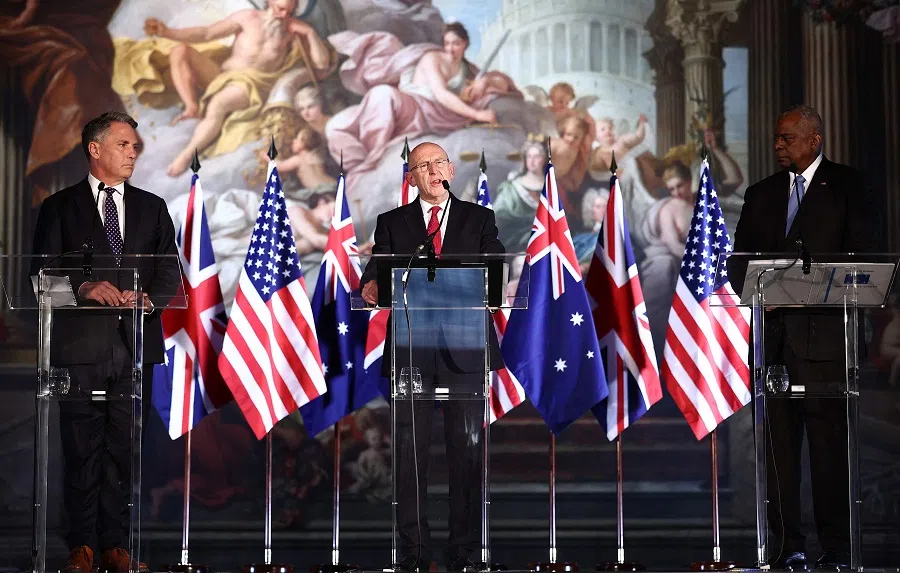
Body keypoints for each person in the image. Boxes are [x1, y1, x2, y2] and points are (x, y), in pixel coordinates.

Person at [30, 111, 180, 573]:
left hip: (134, 347)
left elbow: (169, 272)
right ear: (95, 150)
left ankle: (116, 546)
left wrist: (147, 300)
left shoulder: (153, 207)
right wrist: (82, 288)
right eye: (123, 144)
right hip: (79, 349)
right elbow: (38, 278)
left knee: (124, 450)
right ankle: (81, 547)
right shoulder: (58, 207)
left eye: (135, 146)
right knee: (81, 450)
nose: (133, 152)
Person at [728, 105, 874, 571]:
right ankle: (785, 546)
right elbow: (738, 265)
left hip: (829, 342)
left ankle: (836, 547)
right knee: (778, 454)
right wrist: (758, 290)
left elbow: (863, 259)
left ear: (814, 139)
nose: (778, 146)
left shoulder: (849, 186)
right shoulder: (761, 194)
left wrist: (812, 287)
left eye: (787, 138)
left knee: (830, 451)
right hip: (773, 344)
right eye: (776, 138)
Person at [359, 142, 505, 572]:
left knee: (467, 453)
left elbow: (494, 261)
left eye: (438, 163)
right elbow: (375, 275)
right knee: (409, 453)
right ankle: (413, 556)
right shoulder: (393, 223)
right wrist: (370, 287)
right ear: (411, 178)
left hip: (465, 350)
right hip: (411, 351)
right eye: (422, 166)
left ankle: (464, 554)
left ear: (451, 169)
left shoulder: (480, 218)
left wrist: (494, 290)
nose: (432, 171)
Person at [142, 0, 335, 176]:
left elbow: (322, 65)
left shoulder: (293, 32)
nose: (284, 15)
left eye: (289, 11)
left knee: (218, 105)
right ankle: (191, 106)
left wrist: (309, 33)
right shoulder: (247, 17)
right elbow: (206, 33)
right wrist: (167, 32)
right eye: (281, 9)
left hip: (252, 85)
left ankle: (187, 154)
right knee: (180, 51)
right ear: (270, 2)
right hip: (222, 75)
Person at [326, 23, 510, 179]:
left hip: (431, 117)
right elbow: (441, 94)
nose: (451, 49)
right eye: (447, 43)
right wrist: (477, 113)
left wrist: (484, 82)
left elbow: (503, 83)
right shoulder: (433, 58)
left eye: (456, 43)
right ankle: (363, 161)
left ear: (465, 44)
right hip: (413, 105)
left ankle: (371, 160)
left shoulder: (468, 70)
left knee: (383, 95)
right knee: (336, 126)